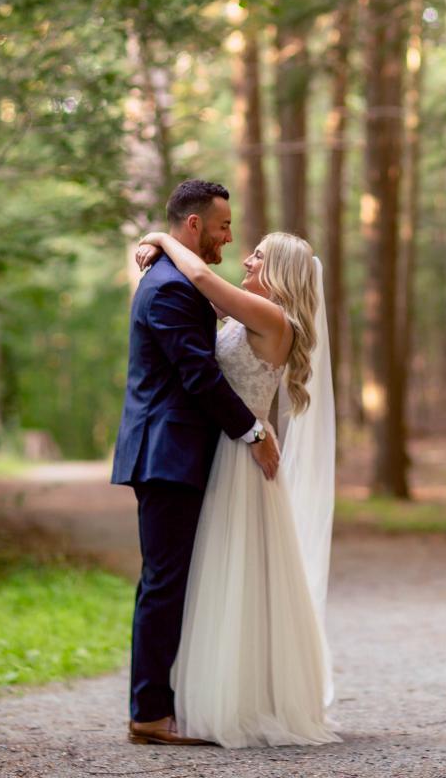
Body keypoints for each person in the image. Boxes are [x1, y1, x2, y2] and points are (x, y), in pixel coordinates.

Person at [133, 224, 339, 748]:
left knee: (235, 573)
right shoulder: (251, 314)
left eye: (260, 257)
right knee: (218, 574)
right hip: (228, 448)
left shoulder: (271, 316)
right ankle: (211, 696)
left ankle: (238, 701)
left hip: (243, 454)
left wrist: (161, 237)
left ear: (282, 273)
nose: (247, 260)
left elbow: (202, 277)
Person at [111, 179, 283, 746]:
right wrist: (252, 430)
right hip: (167, 452)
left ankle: (169, 704)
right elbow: (198, 375)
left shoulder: (175, 278)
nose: (229, 237)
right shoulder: (170, 290)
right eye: (223, 226)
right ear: (194, 225)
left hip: (177, 451)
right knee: (164, 583)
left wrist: (157, 240)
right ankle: (149, 714)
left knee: (173, 580)